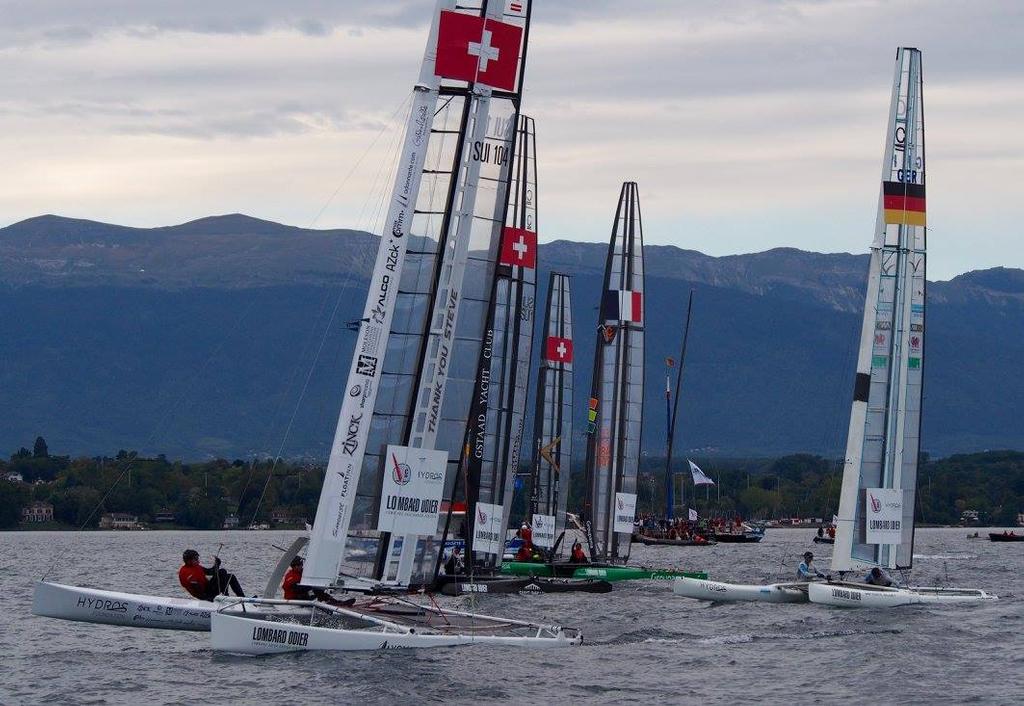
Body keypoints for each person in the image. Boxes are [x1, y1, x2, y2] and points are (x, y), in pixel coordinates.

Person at [282, 556, 354, 606]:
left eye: (302, 564)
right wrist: (312, 586)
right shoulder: (291, 576)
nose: (302, 566)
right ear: (295, 566)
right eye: (300, 565)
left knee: (317, 590)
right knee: (315, 589)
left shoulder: (301, 572)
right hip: (294, 600)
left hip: (302, 597)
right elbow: (297, 589)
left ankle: (334, 602)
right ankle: (332, 603)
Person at [179, 549, 245, 601]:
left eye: (197, 558)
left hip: (209, 588)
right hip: (206, 594)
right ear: (188, 561)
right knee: (222, 571)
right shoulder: (186, 573)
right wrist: (208, 599)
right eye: (196, 559)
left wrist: (217, 564)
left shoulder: (196, 566)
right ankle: (225, 596)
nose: (198, 560)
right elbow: (197, 591)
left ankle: (243, 598)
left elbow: (210, 572)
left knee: (230, 576)